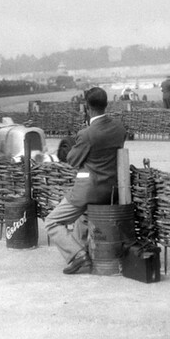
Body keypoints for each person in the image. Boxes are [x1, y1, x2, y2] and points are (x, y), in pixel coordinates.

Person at [44, 87, 128, 275]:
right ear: (106, 104)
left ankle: (78, 255)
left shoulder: (86, 134)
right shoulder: (119, 128)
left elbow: (72, 160)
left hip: (89, 190)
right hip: (111, 189)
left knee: (51, 221)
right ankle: (83, 252)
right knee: (83, 217)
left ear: (87, 107)